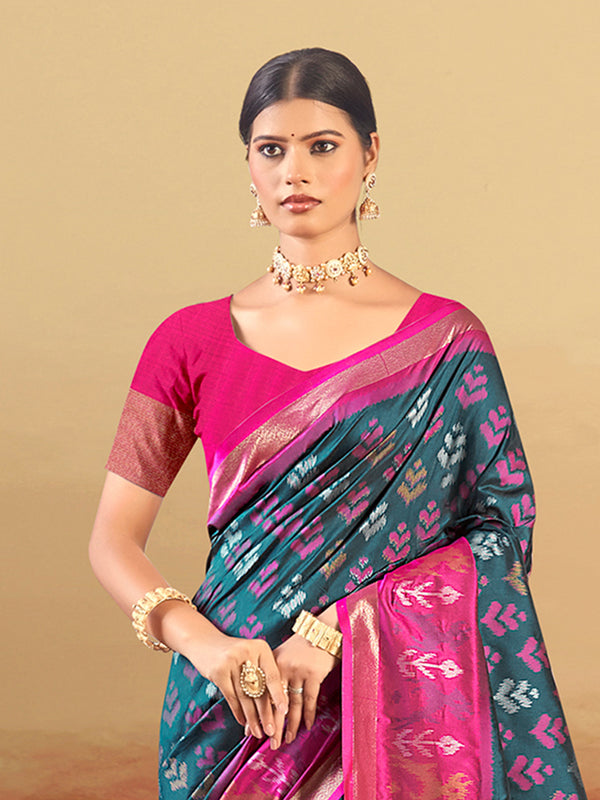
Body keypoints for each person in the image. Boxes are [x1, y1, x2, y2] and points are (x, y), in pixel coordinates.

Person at [89, 48, 587, 799]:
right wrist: (208, 648)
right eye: (272, 150)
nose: (296, 172)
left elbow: (501, 533)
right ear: (248, 165)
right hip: (231, 699)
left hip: (387, 700)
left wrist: (343, 629)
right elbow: (112, 540)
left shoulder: (448, 342)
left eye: (322, 146)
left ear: (369, 154)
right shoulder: (187, 339)